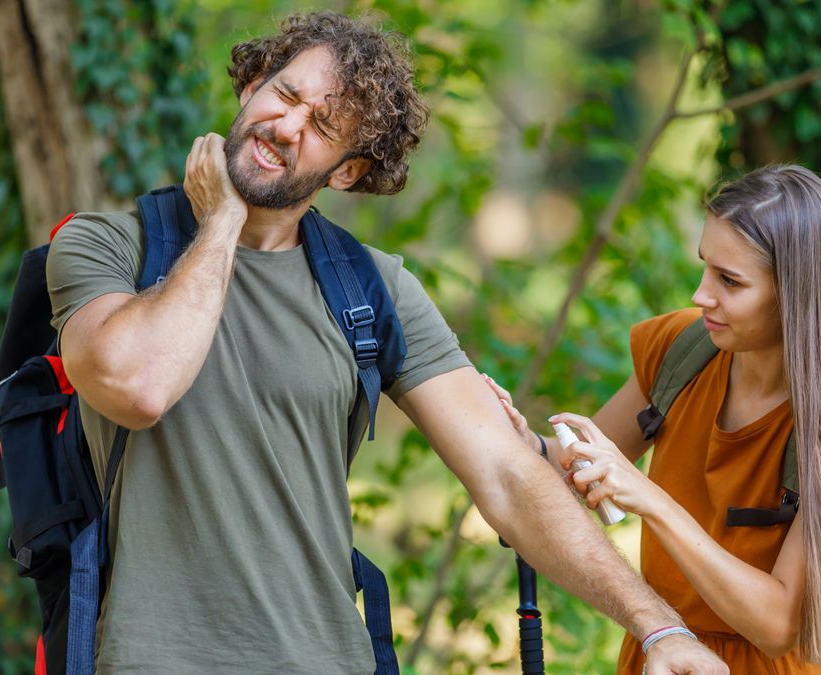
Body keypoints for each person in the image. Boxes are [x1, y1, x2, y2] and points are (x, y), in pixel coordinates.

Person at [45, 10, 727, 675]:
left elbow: (508, 474)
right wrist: (223, 223)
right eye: (284, 94)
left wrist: (658, 623)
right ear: (251, 86)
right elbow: (137, 385)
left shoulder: (372, 288)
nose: (286, 126)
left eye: (322, 126)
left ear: (346, 171)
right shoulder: (110, 245)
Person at [488, 164, 821, 674]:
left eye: (730, 281)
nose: (701, 295)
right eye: (705, 267)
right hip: (659, 649)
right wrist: (527, 443)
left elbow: (779, 626)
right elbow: (572, 470)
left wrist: (652, 502)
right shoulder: (683, 350)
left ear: (794, 298)